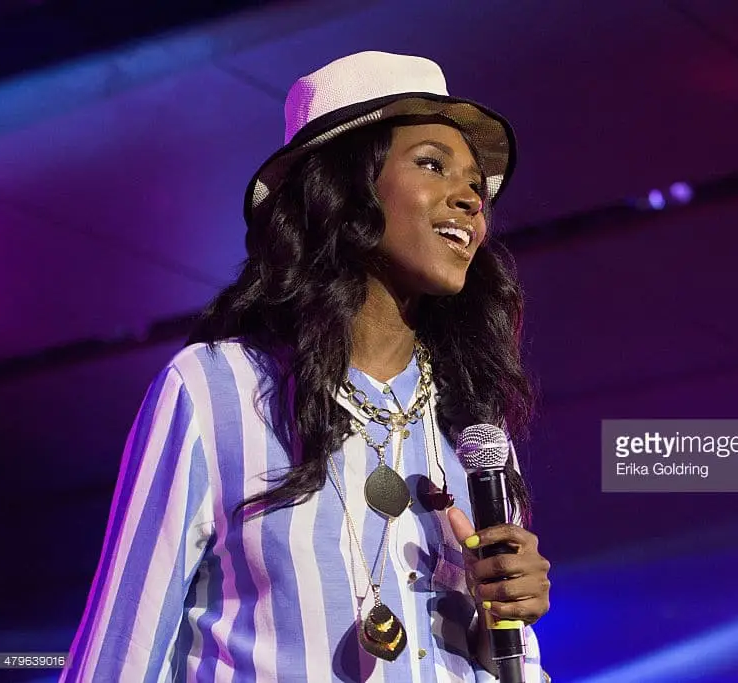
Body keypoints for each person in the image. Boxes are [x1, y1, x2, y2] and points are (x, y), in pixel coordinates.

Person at [60, 51, 551, 682]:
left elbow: (517, 669)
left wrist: (495, 626)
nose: (470, 200)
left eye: (477, 186)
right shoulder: (218, 389)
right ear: (345, 190)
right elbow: (118, 658)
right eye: (432, 164)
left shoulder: (472, 429)